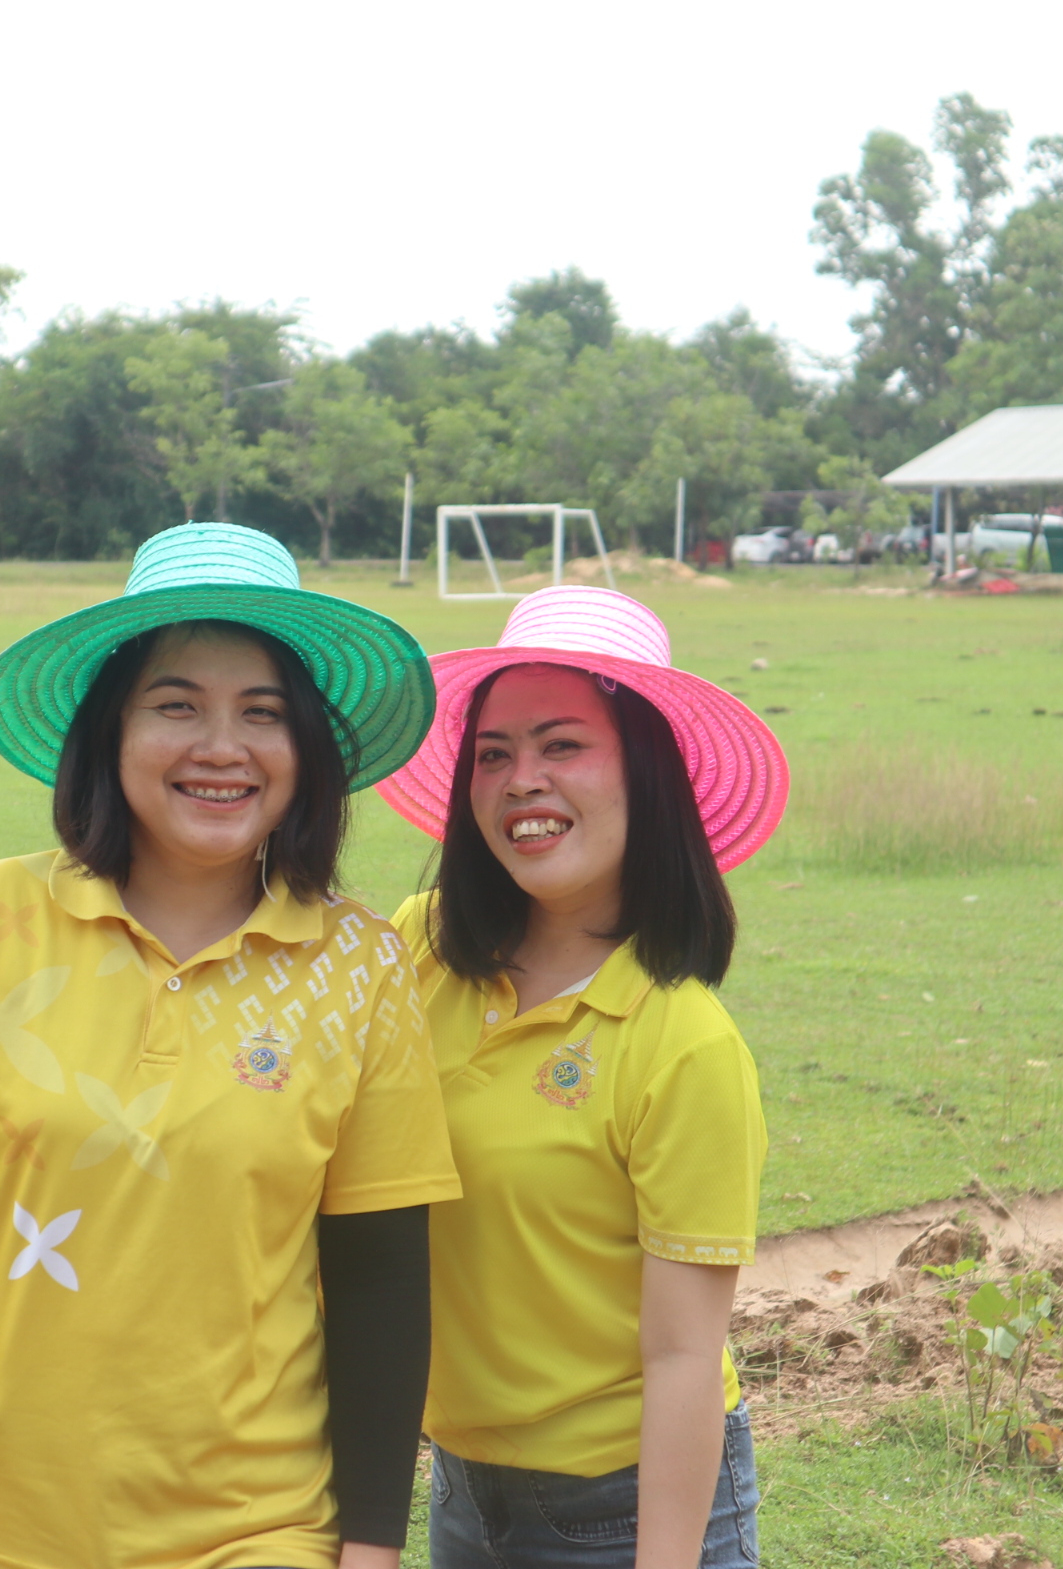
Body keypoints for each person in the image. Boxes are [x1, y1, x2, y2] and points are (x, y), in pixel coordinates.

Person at [0, 522, 459, 1569]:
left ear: (306, 751)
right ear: (109, 729)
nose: (223, 746)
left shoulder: (362, 966)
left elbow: (379, 1279)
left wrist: (371, 1546)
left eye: (264, 712)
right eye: (176, 704)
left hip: (255, 1533)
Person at [373, 585, 788, 1569]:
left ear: (647, 773)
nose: (522, 780)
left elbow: (683, 1357)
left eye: (562, 745)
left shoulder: (682, 1044)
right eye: (493, 754)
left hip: (631, 1502)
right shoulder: (417, 949)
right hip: (461, 1486)